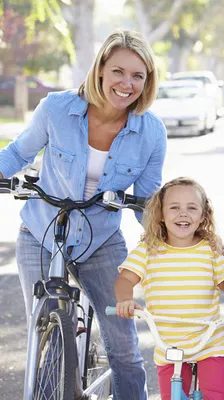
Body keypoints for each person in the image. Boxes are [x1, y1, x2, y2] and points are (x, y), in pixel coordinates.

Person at [0, 29, 166, 399]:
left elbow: (148, 198)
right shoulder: (56, 108)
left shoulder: (151, 132)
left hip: (101, 240)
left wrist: (168, 239)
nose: (127, 84)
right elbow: (16, 154)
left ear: (147, 81)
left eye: (138, 76)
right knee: (45, 340)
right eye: (119, 72)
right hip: (42, 232)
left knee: (123, 348)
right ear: (101, 70)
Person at [115, 177, 224, 400]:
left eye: (192, 208)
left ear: (203, 215)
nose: (183, 214)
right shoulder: (148, 250)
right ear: (160, 215)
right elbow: (124, 280)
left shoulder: (209, 249)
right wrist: (125, 300)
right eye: (174, 207)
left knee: (217, 396)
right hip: (168, 344)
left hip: (210, 342)